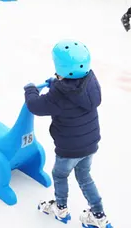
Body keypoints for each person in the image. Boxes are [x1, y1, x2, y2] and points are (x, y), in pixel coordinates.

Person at [24, 40, 112, 228]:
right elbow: (73, 88)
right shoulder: (90, 82)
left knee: (60, 175)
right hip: (89, 145)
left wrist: (30, 90)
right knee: (84, 176)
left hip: (68, 149)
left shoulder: (58, 96)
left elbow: (35, 106)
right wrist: (56, 82)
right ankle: (98, 213)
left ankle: (61, 207)